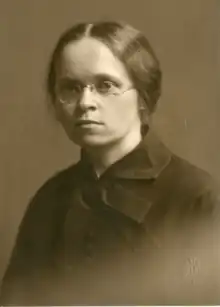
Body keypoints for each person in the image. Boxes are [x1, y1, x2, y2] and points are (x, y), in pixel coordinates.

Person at [0, 20, 220, 305]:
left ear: (142, 96)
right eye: (71, 88)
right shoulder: (51, 199)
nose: (85, 102)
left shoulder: (197, 197)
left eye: (105, 85)